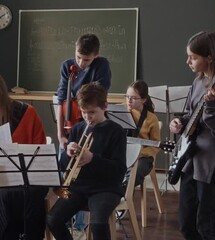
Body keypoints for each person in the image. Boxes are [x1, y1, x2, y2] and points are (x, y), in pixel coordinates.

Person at [169, 31, 215, 240]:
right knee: (186, 224)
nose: (188, 61)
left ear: (209, 57)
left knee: (208, 227)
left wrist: (212, 105)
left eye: (193, 57)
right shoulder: (198, 83)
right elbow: (193, 117)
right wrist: (180, 122)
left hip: (213, 164)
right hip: (191, 160)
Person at [0, 69, 48, 240]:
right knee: (3, 195)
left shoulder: (28, 112)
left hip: (32, 177)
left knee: (28, 194)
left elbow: (40, 148)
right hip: (4, 178)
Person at [47, 83, 127, 240]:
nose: (87, 117)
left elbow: (119, 170)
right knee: (53, 219)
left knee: (97, 224)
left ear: (105, 106)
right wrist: (67, 153)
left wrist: (93, 159)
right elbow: (64, 166)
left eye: (92, 112)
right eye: (83, 112)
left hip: (106, 188)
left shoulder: (116, 131)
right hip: (78, 186)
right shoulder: (77, 129)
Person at [56, 32, 111, 234]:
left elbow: (96, 97)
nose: (81, 62)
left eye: (86, 59)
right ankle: (67, 219)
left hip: (93, 124)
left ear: (96, 56)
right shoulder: (66, 66)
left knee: (83, 171)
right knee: (65, 166)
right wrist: (61, 134)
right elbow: (61, 101)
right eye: (78, 56)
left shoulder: (101, 65)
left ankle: (79, 225)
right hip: (72, 126)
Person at [124, 80, 161, 187]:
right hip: (122, 153)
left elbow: (155, 145)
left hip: (143, 157)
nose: (129, 101)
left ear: (144, 100)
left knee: (136, 171)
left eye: (134, 98)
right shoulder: (120, 111)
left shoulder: (151, 118)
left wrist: (139, 153)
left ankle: (125, 190)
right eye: (127, 96)